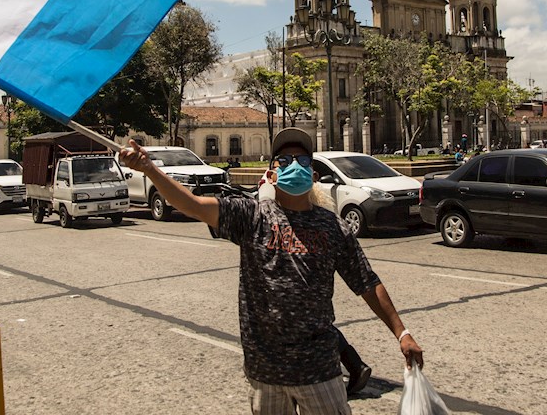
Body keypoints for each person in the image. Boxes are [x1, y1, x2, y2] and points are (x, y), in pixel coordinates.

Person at [119, 128, 422, 414]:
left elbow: (367, 282)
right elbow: (193, 204)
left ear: (313, 174)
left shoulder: (333, 227)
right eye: (285, 160)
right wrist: (150, 170)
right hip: (265, 371)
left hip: (319, 370)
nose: (294, 165)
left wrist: (402, 332)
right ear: (272, 173)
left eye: (302, 160)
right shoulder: (251, 216)